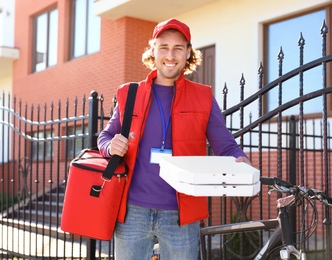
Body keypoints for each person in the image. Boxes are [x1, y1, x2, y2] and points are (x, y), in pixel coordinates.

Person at [97, 18, 251, 260]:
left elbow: (225, 144)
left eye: (178, 48)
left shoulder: (204, 97)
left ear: (188, 53)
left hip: (181, 214)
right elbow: (106, 136)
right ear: (153, 50)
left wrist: (239, 158)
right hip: (132, 212)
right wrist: (109, 145)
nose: (171, 55)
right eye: (164, 47)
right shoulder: (129, 93)